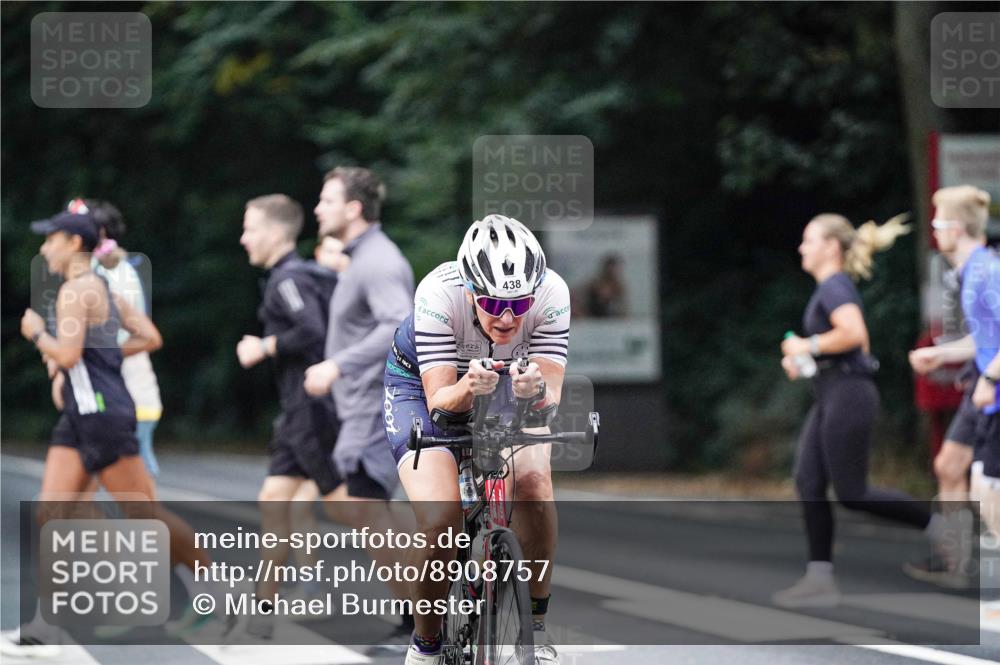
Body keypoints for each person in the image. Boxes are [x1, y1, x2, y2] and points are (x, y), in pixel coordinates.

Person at [4, 207, 226, 656]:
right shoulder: (102, 287)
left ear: (72, 243)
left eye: (50, 239)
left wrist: (34, 334)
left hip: (104, 416)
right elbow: (149, 336)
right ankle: (45, 628)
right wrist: (102, 355)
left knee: (146, 517)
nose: (44, 247)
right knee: (52, 515)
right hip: (79, 418)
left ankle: (221, 593)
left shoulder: (74, 291)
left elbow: (65, 357)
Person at [383, 214, 570, 665]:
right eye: (491, 303)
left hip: (508, 385)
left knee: (534, 488)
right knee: (441, 520)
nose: (507, 318)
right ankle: (425, 645)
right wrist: (469, 387)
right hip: (425, 387)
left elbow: (550, 398)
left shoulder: (553, 294)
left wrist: (536, 392)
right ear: (469, 291)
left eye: (519, 306)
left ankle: (536, 628)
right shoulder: (436, 294)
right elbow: (442, 405)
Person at [773, 212, 949, 608]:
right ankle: (820, 579)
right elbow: (850, 348)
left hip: (849, 395)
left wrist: (807, 347)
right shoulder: (829, 289)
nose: (802, 247)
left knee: (851, 492)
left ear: (831, 247)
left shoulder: (835, 287)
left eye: (808, 240)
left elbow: (855, 335)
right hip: (833, 393)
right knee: (808, 480)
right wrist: (807, 362)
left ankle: (941, 528)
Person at [302, 167, 418, 647]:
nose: (317, 209)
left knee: (368, 509)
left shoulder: (377, 262)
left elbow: (398, 322)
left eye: (326, 200)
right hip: (363, 407)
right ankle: (423, 613)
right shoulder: (360, 260)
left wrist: (338, 365)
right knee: (370, 512)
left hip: (376, 403)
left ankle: (421, 623)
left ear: (353, 209)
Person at [235, 194, 343, 638]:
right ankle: (262, 609)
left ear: (276, 233)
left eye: (251, 228)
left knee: (350, 507)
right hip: (298, 409)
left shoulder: (288, 280)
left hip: (312, 409)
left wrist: (264, 346)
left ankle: (419, 603)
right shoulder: (294, 276)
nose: (244, 238)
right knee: (276, 501)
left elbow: (313, 331)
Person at [905, 185, 993, 586]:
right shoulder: (968, 273)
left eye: (938, 223)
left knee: (987, 488)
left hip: (990, 385)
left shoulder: (985, 272)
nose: (934, 232)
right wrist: (943, 355)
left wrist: (990, 379)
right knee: (949, 466)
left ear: (956, 229)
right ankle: (958, 564)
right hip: (983, 382)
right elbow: (988, 338)